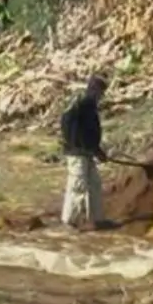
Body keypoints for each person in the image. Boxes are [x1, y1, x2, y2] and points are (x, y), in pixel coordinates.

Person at [59, 75, 109, 229]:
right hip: (77, 153)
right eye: (100, 92)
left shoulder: (90, 106)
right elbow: (66, 123)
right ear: (93, 89)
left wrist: (97, 150)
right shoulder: (80, 104)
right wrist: (75, 144)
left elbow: (90, 133)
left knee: (94, 184)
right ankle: (70, 221)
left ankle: (96, 219)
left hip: (87, 152)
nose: (101, 96)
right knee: (78, 186)